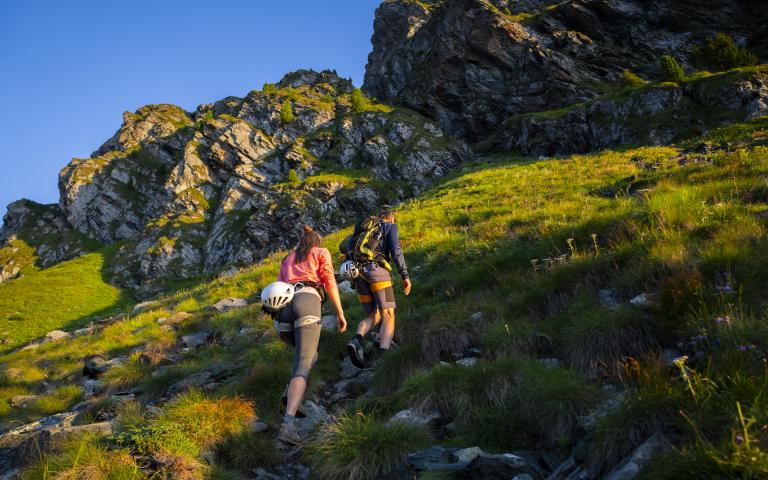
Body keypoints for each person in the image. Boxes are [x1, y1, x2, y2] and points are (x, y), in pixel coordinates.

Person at [274, 225, 347, 445]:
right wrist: (340, 313)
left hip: (283, 309)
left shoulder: (288, 258)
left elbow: (277, 285)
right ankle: (288, 425)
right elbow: (329, 281)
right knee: (303, 366)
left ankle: (290, 394)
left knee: (308, 354)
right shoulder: (320, 253)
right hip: (307, 300)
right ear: (317, 242)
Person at [346, 208, 411, 368]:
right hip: (377, 273)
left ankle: (357, 339)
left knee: (373, 314)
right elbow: (396, 250)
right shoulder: (390, 227)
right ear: (391, 218)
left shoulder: (364, 229)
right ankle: (384, 355)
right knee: (388, 313)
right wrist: (405, 275)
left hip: (358, 275)